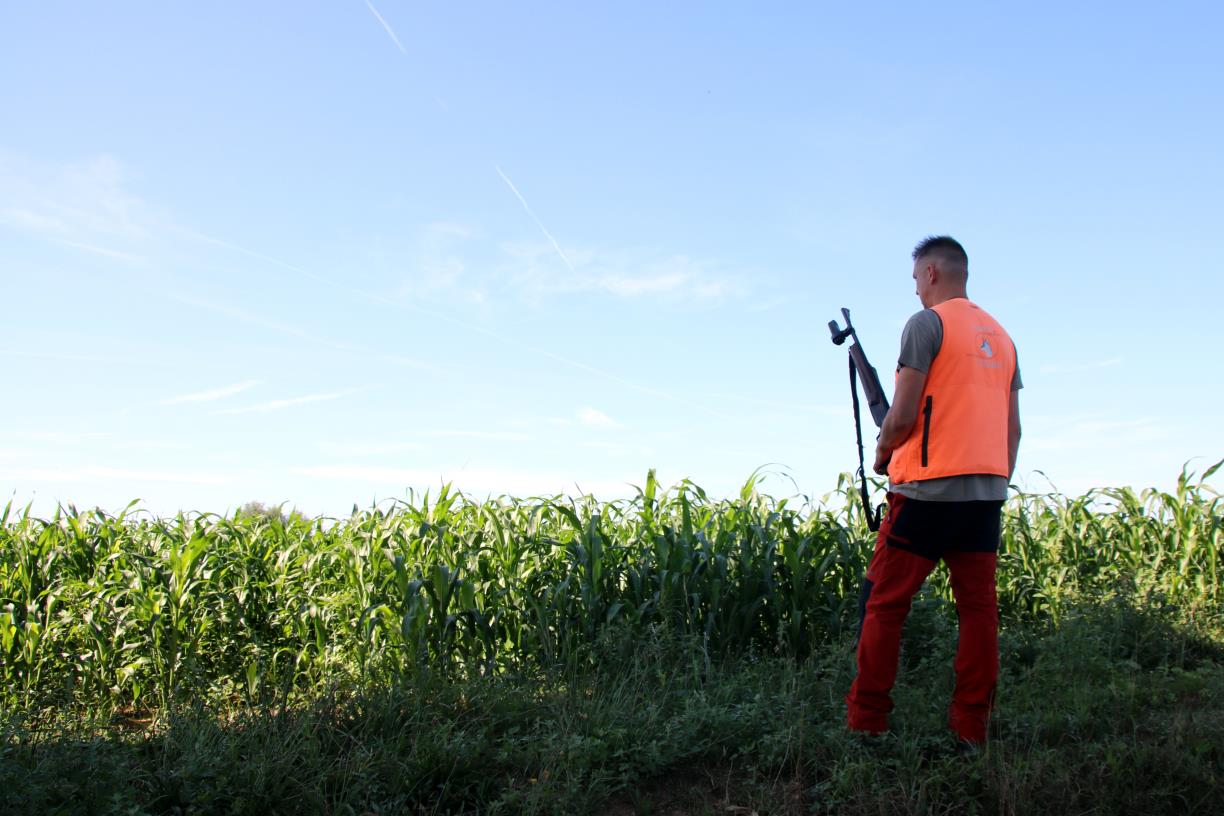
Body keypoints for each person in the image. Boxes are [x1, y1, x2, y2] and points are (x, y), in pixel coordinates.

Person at [845, 235, 1022, 745]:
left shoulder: (927, 324)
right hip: (986, 497)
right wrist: (996, 483)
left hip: (924, 495)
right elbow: (1013, 429)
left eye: (916, 279)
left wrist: (882, 456)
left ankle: (867, 721)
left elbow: (900, 414)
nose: (917, 290)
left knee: (883, 604)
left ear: (931, 274)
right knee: (978, 611)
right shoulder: (1003, 337)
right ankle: (971, 729)